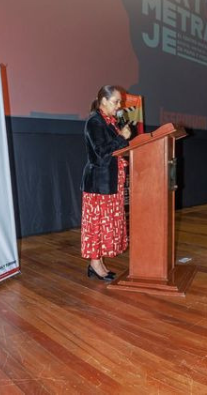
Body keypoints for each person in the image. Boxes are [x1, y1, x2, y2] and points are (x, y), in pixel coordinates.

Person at [81, 85, 132, 281]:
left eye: (120, 102)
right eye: (116, 102)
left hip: (110, 184)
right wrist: (121, 137)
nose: (119, 106)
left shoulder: (109, 121)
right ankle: (95, 264)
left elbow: (116, 149)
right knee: (97, 226)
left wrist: (123, 137)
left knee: (105, 226)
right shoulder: (95, 121)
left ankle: (98, 263)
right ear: (103, 101)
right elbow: (102, 153)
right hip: (98, 185)